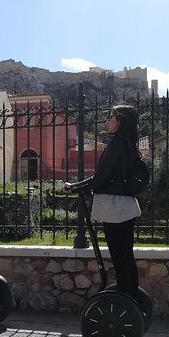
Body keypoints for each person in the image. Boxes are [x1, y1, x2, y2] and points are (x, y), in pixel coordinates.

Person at [63, 104, 142, 298]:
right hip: (127, 206)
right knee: (126, 256)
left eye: (111, 118)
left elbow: (99, 178)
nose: (108, 121)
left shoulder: (116, 144)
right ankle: (131, 294)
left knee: (119, 256)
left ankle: (125, 297)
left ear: (120, 121)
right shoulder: (129, 143)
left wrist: (73, 187)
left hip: (115, 208)